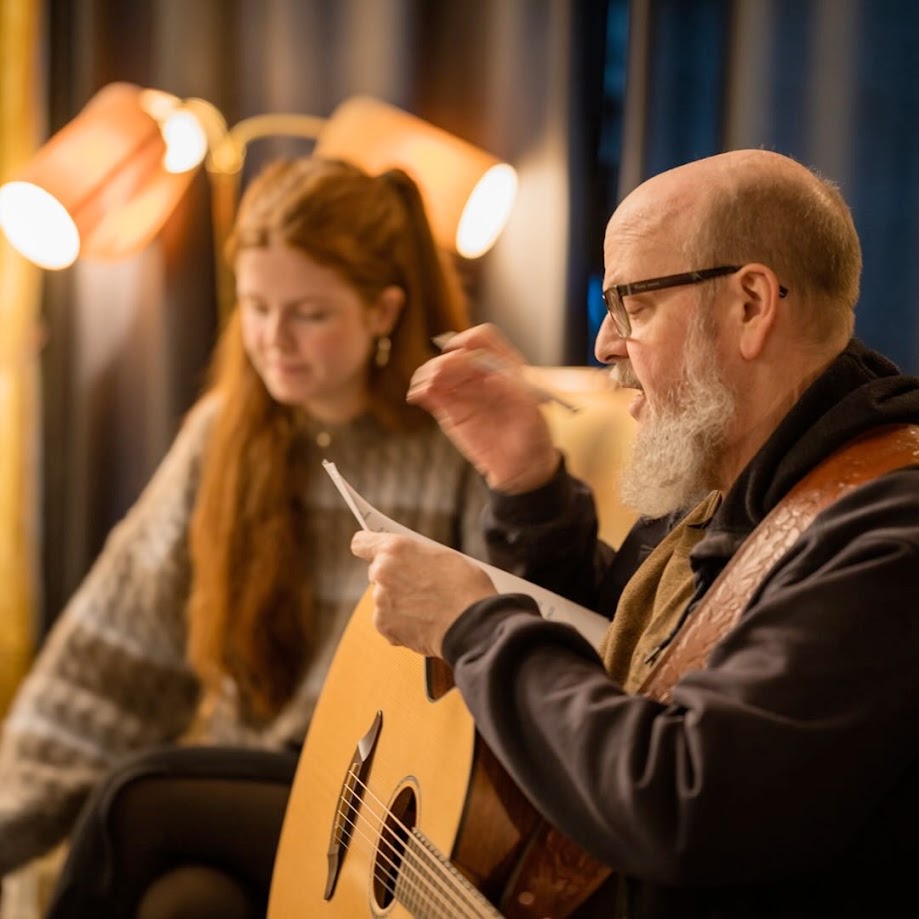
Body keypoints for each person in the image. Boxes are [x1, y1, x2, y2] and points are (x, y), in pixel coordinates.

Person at [351, 149, 919, 917]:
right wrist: (526, 481)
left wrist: (470, 627)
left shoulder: (886, 531)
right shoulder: (747, 468)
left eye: (633, 305)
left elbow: (686, 799)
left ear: (750, 303)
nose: (605, 345)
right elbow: (619, 653)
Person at [0, 155, 488, 916]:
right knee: (183, 903)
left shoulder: (456, 443)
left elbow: (502, 641)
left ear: (383, 311)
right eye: (256, 307)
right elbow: (110, 656)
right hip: (244, 786)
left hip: (387, 804)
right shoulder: (219, 433)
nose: (274, 339)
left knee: (138, 797)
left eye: (310, 313)